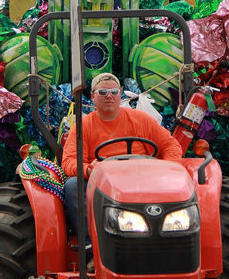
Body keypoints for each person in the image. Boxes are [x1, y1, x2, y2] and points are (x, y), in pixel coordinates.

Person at [61, 73, 184, 261]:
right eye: (103, 92)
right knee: (72, 185)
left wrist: (168, 171)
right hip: (103, 183)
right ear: (93, 97)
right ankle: (91, 248)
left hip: (143, 178)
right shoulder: (83, 126)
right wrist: (88, 169)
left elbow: (171, 145)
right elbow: (69, 161)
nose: (109, 95)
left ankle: (173, 242)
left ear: (120, 95)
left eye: (114, 91)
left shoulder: (140, 119)